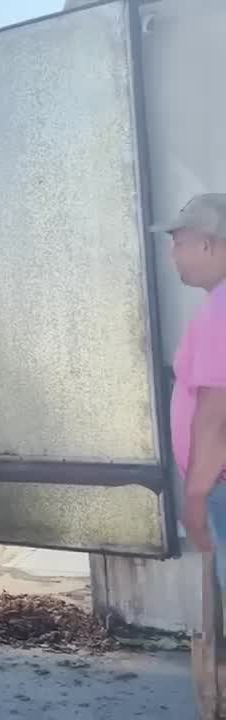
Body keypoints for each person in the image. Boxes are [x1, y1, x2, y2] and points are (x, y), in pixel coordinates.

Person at [159, 194, 226, 580]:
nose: (174, 255)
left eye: (178, 243)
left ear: (207, 243)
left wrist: (197, 495)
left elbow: (217, 411)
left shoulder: (221, 309)